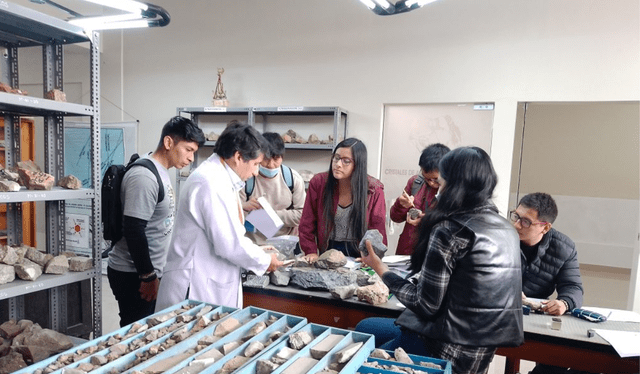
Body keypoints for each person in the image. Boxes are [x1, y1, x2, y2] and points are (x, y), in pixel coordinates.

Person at [359, 146, 523, 374]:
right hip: (481, 351)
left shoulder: (450, 231)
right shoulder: (506, 228)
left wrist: (380, 268)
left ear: (453, 184)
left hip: (444, 349)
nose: (437, 190)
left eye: (441, 182)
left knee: (360, 355)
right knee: (366, 326)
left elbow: (424, 305)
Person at [156, 122, 283, 310]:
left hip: (207, 281)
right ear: (239, 157)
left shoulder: (220, 179)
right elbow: (228, 243)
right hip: (194, 287)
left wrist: (257, 249)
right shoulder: (210, 182)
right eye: (256, 164)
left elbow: (228, 234)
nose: (257, 172)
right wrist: (264, 260)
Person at [107, 116, 205, 327]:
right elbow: (134, 229)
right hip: (133, 274)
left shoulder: (161, 172)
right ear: (169, 143)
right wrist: (148, 277)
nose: (191, 158)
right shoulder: (145, 176)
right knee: (136, 333)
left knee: (145, 331)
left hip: (145, 272)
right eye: (188, 150)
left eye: (194, 153)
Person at [510, 192, 584, 374]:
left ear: (545, 227)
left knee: (567, 359)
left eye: (526, 221)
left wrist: (564, 303)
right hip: (499, 312)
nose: (517, 225)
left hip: (534, 316)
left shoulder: (563, 248)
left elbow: (573, 287)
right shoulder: (502, 237)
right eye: (516, 216)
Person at [298, 137, 387, 260]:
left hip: (359, 251)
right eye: (336, 158)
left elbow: (378, 229)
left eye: (346, 161)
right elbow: (306, 223)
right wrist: (311, 251)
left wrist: (371, 257)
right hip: (328, 249)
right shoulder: (319, 183)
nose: (338, 164)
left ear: (358, 164)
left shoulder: (373, 189)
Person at [239, 132, 306, 244]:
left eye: (276, 159)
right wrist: (245, 207)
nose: (271, 164)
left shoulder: (292, 179)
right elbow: (233, 213)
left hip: (285, 243)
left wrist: (273, 214)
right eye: (266, 159)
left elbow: (303, 214)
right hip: (254, 244)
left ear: (282, 157)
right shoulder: (247, 179)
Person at [389, 143, 450, 255]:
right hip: (407, 252)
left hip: (434, 253)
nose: (431, 183)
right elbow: (395, 217)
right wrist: (401, 204)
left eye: (436, 179)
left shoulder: (452, 192)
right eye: (427, 178)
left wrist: (426, 221)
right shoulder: (415, 182)